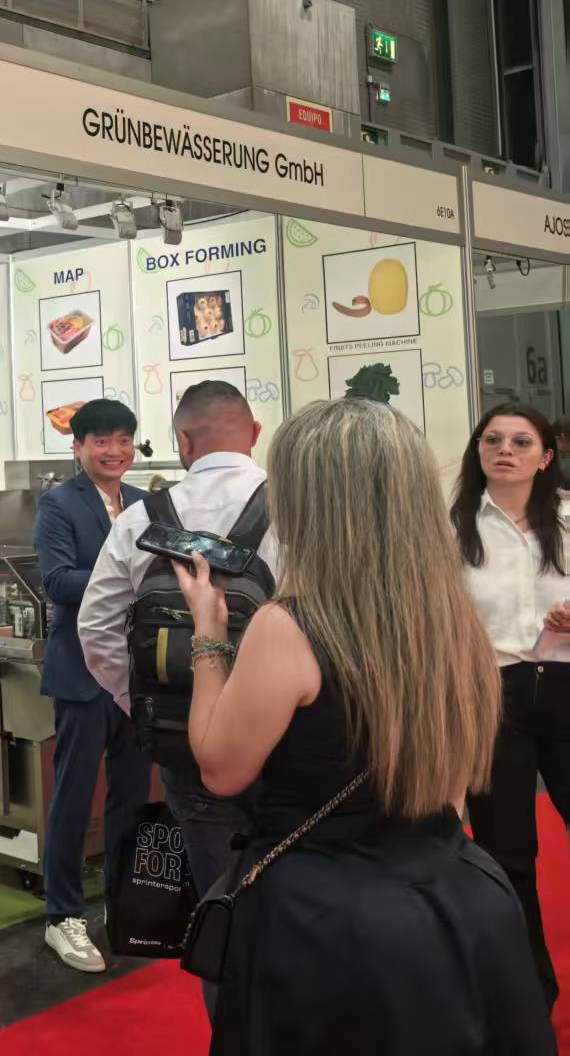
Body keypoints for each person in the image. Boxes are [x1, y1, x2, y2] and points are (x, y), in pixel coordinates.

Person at [170, 398, 552, 1054]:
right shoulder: (453, 619)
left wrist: (208, 637)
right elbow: (453, 781)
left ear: (307, 501)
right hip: (459, 896)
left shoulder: (289, 626)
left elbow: (221, 766)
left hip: (325, 922)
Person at [79, 380, 276, 910]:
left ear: (183, 442)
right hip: (278, 737)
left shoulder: (140, 519)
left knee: (218, 893)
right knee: (287, 888)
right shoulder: (296, 508)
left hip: (180, 735)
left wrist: (143, 701)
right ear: (255, 433)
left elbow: (96, 627)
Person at [452, 402, 570, 1009]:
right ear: (478, 451)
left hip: (566, 687)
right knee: (508, 852)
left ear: (546, 457)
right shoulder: (452, 528)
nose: (505, 450)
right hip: (490, 694)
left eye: (521, 442)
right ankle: (529, 995)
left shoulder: (568, 519)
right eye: (493, 439)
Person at [31, 399, 150, 974]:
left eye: (123, 440)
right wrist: (127, 577)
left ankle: (126, 901)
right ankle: (63, 915)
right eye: (101, 440)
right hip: (81, 673)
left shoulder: (147, 503)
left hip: (136, 671)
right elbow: (57, 581)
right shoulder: (59, 504)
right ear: (78, 447)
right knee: (74, 798)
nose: (114, 451)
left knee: (133, 794)